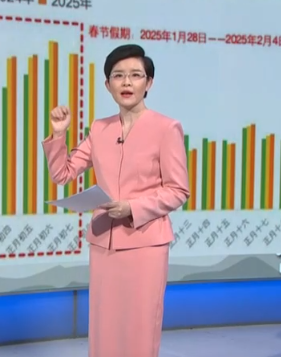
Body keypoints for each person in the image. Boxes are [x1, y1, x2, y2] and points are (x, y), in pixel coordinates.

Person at [42, 44, 189, 357]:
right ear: (107, 85)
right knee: (104, 327)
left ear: (149, 83)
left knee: (139, 327)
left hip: (145, 244)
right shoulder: (100, 128)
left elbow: (178, 190)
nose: (127, 82)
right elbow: (63, 175)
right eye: (118, 76)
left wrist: (132, 207)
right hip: (104, 245)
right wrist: (58, 135)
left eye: (135, 75)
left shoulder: (167, 128)